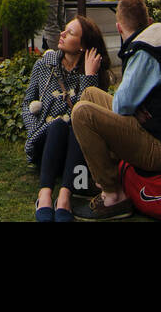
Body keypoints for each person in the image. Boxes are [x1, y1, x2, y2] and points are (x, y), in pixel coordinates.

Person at [70, 0, 161, 221]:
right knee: (90, 94)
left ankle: (113, 196)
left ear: (119, 28)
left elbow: (122, 105)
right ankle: (109, 174)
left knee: (82, 113)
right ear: (148, 20)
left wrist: (134, 107)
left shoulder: (144, 51)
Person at [23, 15, 110, 221]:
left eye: (70, 33)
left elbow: (87, 118)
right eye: (65, 29)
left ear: (82, 46)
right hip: (44, 142)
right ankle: (44, 195)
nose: (62, 34)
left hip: (76, 149)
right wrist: (35, 132)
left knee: (75, 125)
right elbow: (27, 104)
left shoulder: (93, 74)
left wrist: (89, 78)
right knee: (58, 126)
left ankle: (64, 198)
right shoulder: (45, 65)